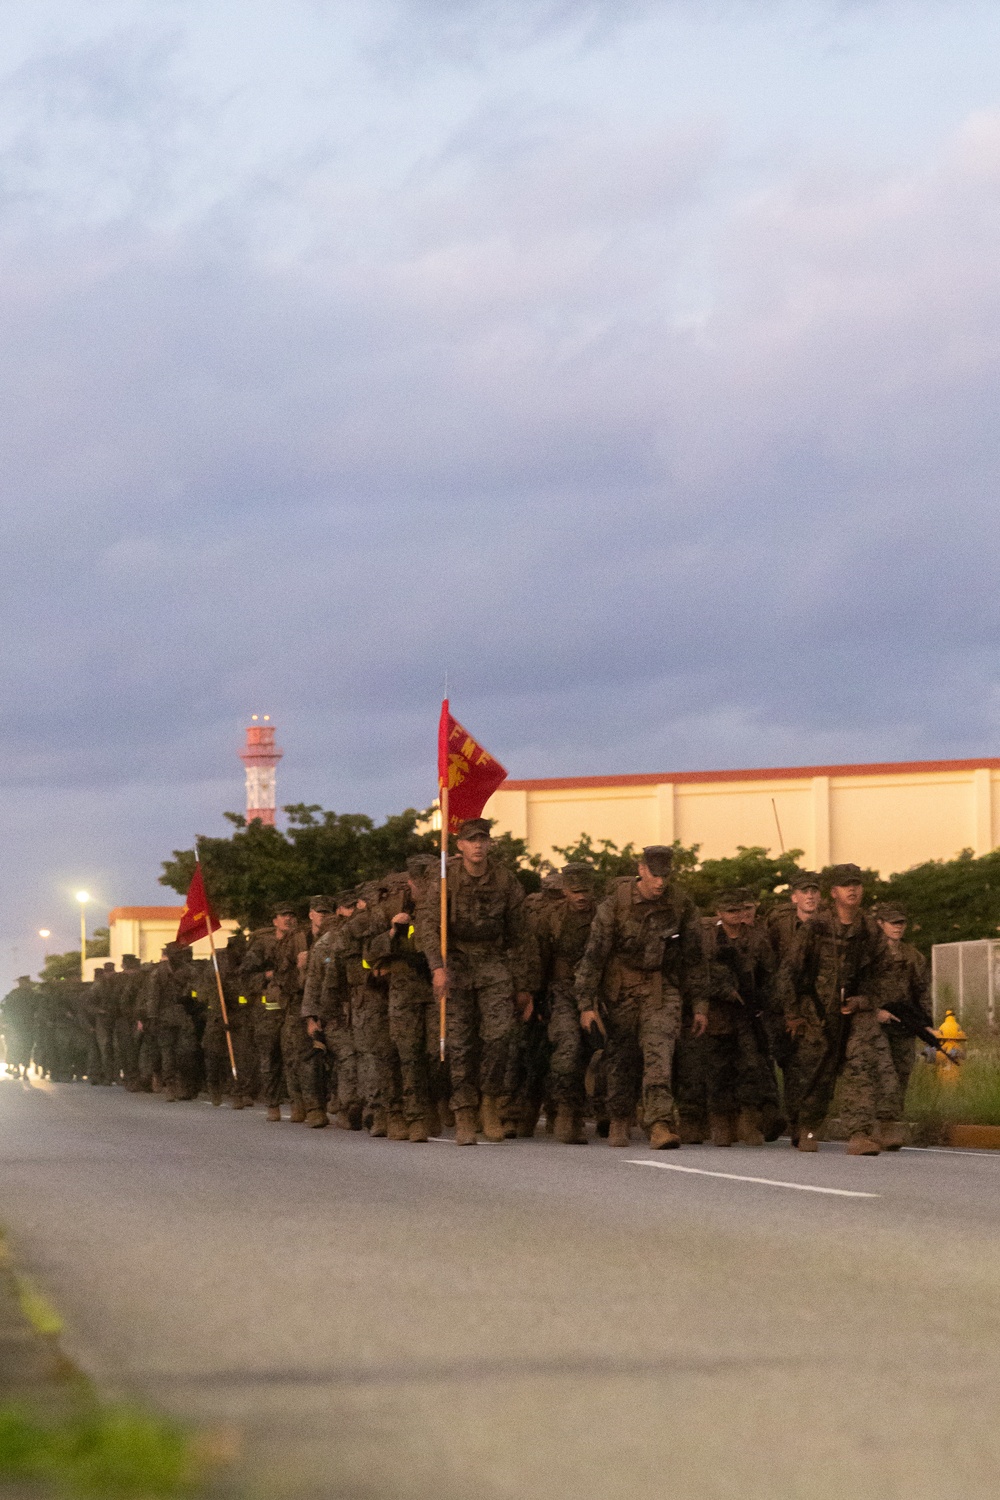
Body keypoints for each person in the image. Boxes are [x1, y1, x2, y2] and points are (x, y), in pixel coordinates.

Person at [575, 846, 709, 1149]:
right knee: (622, 1057)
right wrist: (586, 1005)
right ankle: (619, 1118)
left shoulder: (679, 904)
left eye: (666, 875)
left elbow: (696, 959)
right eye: (654, 874)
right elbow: (593, 957)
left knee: (660, 1053)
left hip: (662, 990)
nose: (660, 882)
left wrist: (700, 1004)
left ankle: (660, 1122)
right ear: (642, 869)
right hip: (621, 990)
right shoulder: (615, 905)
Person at [418, 817, 535, 1146]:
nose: (479, 845)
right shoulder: (446, 879)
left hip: (492, 964)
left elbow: (521, 935)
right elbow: (429, 926)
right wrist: (437, 968)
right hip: (455, 963)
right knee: (459, 1043)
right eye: (472, 840)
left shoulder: (505, 880)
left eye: (483, 840)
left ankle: (489, 1102)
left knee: (499, 1037)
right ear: (460, 846)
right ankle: (465, 1109)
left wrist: (524, 985)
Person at [779, 863, 898, 1156]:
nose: (853, 889)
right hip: (816, 1013)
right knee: (815, 1073)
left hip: (856, 1014)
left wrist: (865, 1001)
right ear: (833, 892)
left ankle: (859, 1133)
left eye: (857, 884)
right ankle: (806, 1127)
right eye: (846, 885)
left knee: (860, 1068)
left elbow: (888, 976)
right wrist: (793, 1013)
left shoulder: (869, 929)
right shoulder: (816, 927)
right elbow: (788, 973)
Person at [366, 857, 441, 1142]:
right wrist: (394, 931)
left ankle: (430, 1104)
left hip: (434, 990)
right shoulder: (388, 909)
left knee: (435, 1053)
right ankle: (409, 1116)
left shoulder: (442, 907)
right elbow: (369, 951)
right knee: (407, 1055)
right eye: (421, 882)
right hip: (402, 990)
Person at [701, 889, 784, 1147]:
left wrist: (764, 1003)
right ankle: (722, 1124)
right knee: (718, 1069)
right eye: (730, 911)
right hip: (718, 1014)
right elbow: (699, 975)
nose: (736, 916)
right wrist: (724, 991)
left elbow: (771, 975)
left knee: (751, 1066)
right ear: (719, 913)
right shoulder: (709, 940)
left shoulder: (757, 939)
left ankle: (750, 1122)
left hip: (749, 1014)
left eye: (740, 910)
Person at [533, 863, 598, 1144]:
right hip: (561, 992)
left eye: (586, 890)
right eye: (575, 891)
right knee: (568, 1047)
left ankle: (594, 1112)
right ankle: (565, 1111)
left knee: (597, 1052)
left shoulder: (605, 916)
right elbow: (537, 960)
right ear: (565, 891)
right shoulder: (551, 918)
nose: (581, 896)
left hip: (599, 993)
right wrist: (532, 998)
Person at [764, 871, 823, 1143]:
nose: (810, 896)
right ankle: (789, 1117)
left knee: (811, 1063)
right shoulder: (779, 923)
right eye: (804, 891)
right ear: (794, 896)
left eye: (814, 891)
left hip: (815, 1003)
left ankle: (805, 1123)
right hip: (779, 1003)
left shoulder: (828, 924)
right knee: (787, 1062)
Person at [241, 905, 307, 1122]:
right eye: (283, 916)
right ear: (275, 921)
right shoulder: (262, 945)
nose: (288, 919)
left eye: (292, 915)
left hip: (293, 1004)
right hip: (268, 1009)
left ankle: (298, 1104)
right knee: (269, 1056)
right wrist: (268, 976)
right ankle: (272, 1103)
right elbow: (246, 977)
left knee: (295, 1056)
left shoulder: (303, 940)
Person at [874, 903, 932, 1149]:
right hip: (875, 1023)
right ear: (880, 924)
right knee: (883, 1072)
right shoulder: (870, 953)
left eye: (901, 923)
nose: (897, 927)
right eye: (892, 922)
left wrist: (927, 1025)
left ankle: (891, 1122)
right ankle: (881, 1127)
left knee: (901, 1073)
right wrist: (874, 1011)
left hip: (904, 1024)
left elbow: (922, 992)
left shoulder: (914, 956)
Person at [144, 943, 203, 1101]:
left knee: (185, 1053)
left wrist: (192, 998)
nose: (177, 957)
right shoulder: (159, 974)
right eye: (174, 953)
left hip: (184, 1017)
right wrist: (152, 1018)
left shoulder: (190, 971)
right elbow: (153, 997)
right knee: (167, 1053)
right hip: (164, 1018)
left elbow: (200, 992)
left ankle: (183, 1084)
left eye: (179, 953)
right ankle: (170, 1085)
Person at [0, 977, 36, 1079]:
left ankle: (23, 1070)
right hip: (17, 1026)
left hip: (27, 1026)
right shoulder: (16, 993)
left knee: (25, 1048)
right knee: (17, 1048)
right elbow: (6, 1008)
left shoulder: (31, 994)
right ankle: (18, 1069)